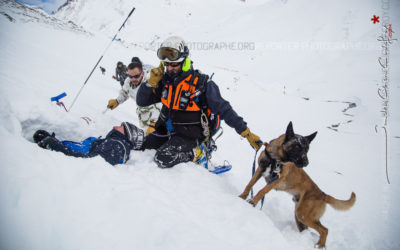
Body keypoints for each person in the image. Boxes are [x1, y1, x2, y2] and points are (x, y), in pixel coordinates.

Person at [136, 36, 263, 169]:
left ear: (184, 61)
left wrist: (246, 132)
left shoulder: (202, 84)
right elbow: (142, 101)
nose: (169, 68)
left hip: (190, 135)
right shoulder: (164, 81)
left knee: (163, 158)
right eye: (166, 64)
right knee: (145, 147)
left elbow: (225, 109)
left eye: (173, 64)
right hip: (167, 131)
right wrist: (150, 83)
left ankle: (198, 152)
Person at [33, 122, 144, 166]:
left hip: (55, 162)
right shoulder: (115, 143)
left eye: (120, 127)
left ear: (128, 135)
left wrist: (55, 146)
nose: (115, 127)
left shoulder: (116, 146)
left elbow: (89, 162)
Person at [107, 60, 161, 135]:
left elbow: (159, 103)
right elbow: (125, 93)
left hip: (157, 116)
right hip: (143, 115)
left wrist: (154, 123)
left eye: (136, 76)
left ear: (142, 73)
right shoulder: (128, 82)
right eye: (130, 76)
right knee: (147, 136)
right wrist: (117, 101)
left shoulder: (150, 81)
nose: (133, 79)